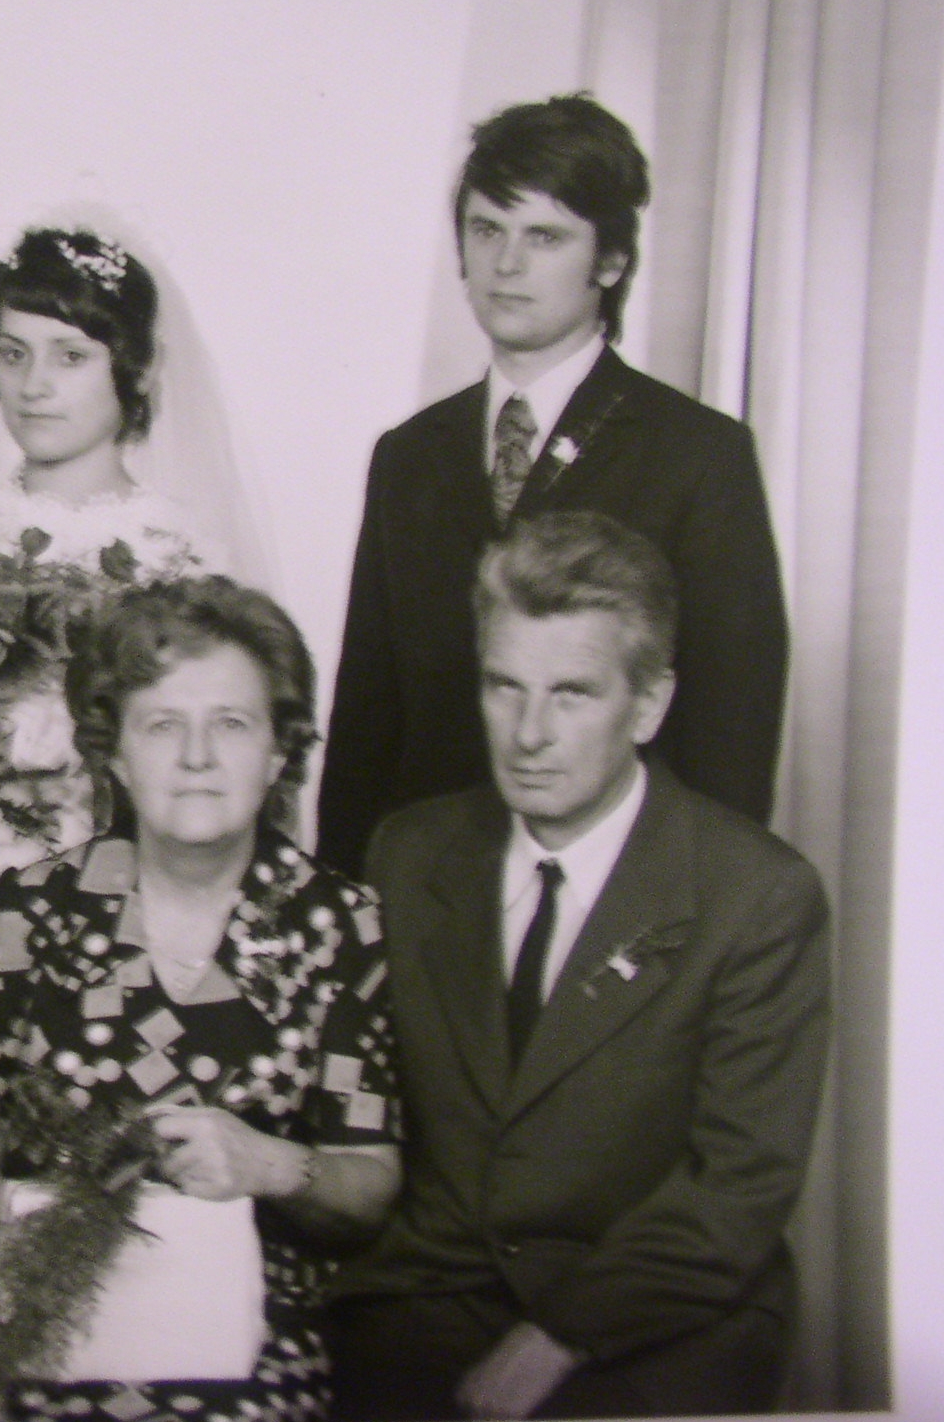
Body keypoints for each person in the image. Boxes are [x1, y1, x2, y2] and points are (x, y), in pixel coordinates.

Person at [327, 511, 829, 1420]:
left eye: (571, 694)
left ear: (647, 704)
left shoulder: (757, 895)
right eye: (502, 687)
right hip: (433, 1299)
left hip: (661, 1319)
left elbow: (738, 1191)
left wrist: (561, 1335)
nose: (527, 733)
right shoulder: (406, 855)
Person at [0, 577, 402, 1422]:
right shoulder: (27, 910)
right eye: (160, 725)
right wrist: (28, 1264)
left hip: (250, 1336)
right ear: (111, 752)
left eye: (231, 724)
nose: (195, 757)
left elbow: (369, 1181)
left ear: (280, 750)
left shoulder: (340, 925)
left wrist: (269, 1164)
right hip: (56, 1314)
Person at [317, 93, 788, 878]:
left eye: (544, 237)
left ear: (608, 259)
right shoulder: (407, 455)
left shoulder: (699, 455)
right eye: (485, 230)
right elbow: (368, 718)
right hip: (428, 898)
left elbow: (730, 737)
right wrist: (341, 908)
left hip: (613, 908)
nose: (506, 264)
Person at [0, 227, 246, 1149]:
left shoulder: (179, 556)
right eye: (13, 353)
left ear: (136, 371)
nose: (34, 384)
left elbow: (219, 774)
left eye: (71, 356)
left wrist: (94, 771)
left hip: (111, 895)